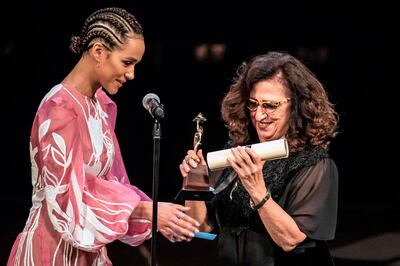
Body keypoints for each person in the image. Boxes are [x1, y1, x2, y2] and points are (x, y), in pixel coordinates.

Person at [7, 7, 199, 265]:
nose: (131, 75)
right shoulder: (60, 108)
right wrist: (148, 212)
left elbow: (112, 184)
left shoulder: (99, 105)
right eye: (127, 63)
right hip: (52, 250)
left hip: (89, 250)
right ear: (99, 51)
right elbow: (66, 201)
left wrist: (157, 216)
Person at [179, 51, 339, 265]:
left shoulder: (315, 165)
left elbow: (290, 240)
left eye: (270, 105)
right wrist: (195, 183)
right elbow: (201, 227)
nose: (259, 114)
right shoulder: (236, 151)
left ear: (297, 105)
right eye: (253, 104)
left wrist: (256, 189)